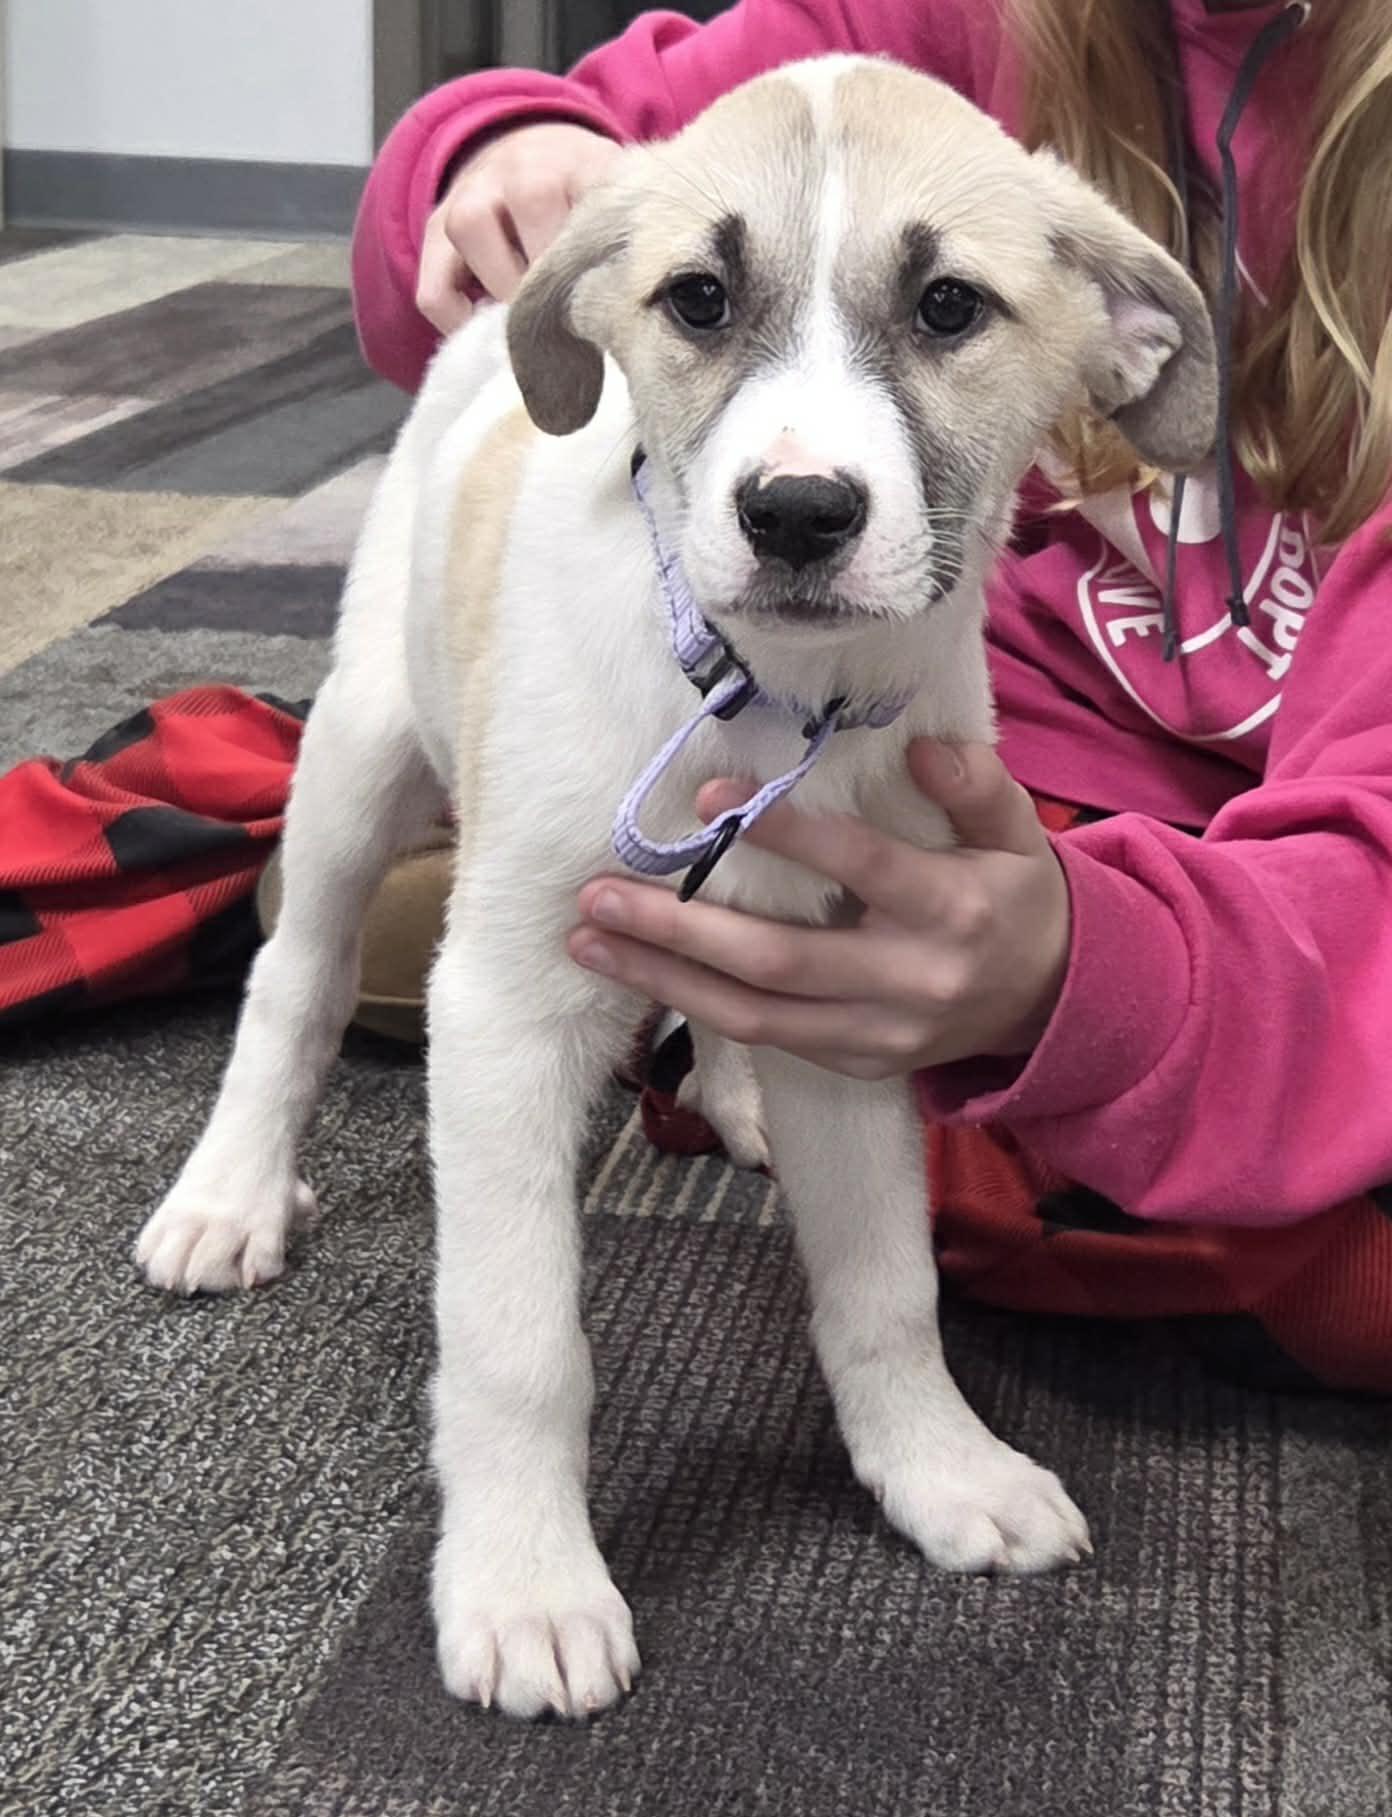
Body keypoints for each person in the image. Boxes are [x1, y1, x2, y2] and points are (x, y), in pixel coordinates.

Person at [350, 0, 1392, 1394]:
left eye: (947, 310)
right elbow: (488, 246)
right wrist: (499, 146)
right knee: (710, 994)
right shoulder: (947, 20)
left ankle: (684, 926)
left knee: (1285, 1236)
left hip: (1267, 864)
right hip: (950, 724)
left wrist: (1085, 975)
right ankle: (660, 900)